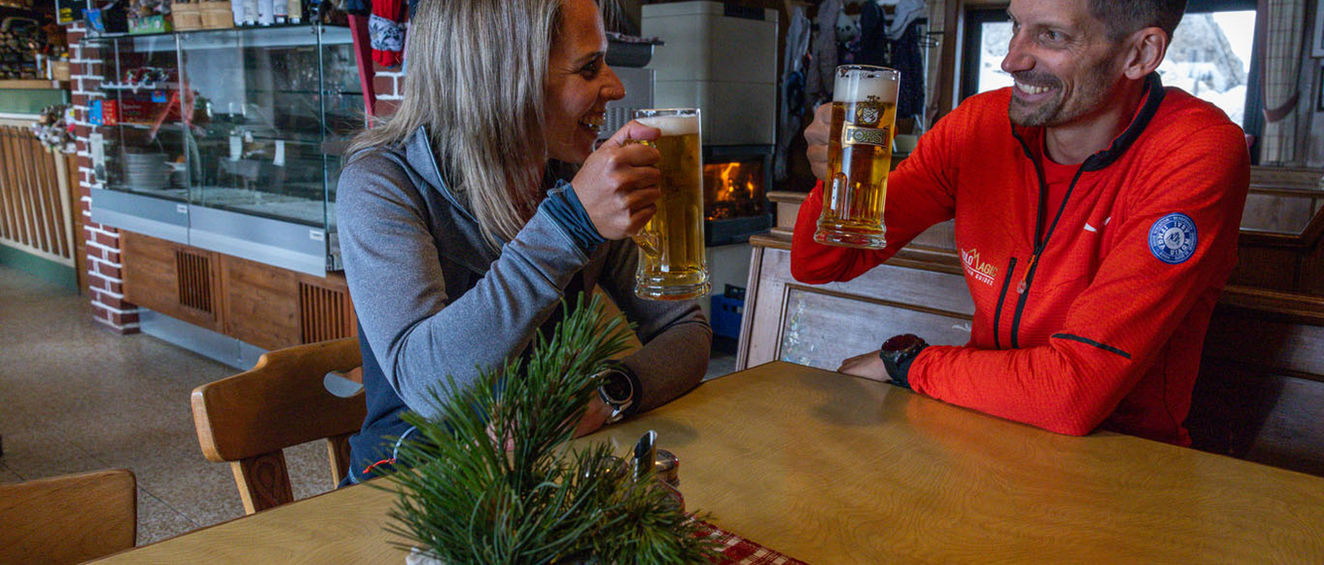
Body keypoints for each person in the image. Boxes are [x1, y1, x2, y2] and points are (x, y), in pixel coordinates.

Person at [792, 0, 1248, 445]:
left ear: (1140, 54)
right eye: (1015, 25)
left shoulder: (1194, 151)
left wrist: (908, 364)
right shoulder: (980, 125)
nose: (1011, 59)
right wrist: (834, 177)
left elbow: (1069, 396)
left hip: (1122, 458)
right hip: (976, 427)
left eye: (1052, 35)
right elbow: (821, 264)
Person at [336, 0, 710, 483]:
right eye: (589, 67)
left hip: (541, 486)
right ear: (503, 79)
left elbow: (686, 328)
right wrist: (570, 224)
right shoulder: (382, 182)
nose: (615, 87)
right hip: (409, 496)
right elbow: (429, 386)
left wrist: (611, 393)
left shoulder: (571, 174)